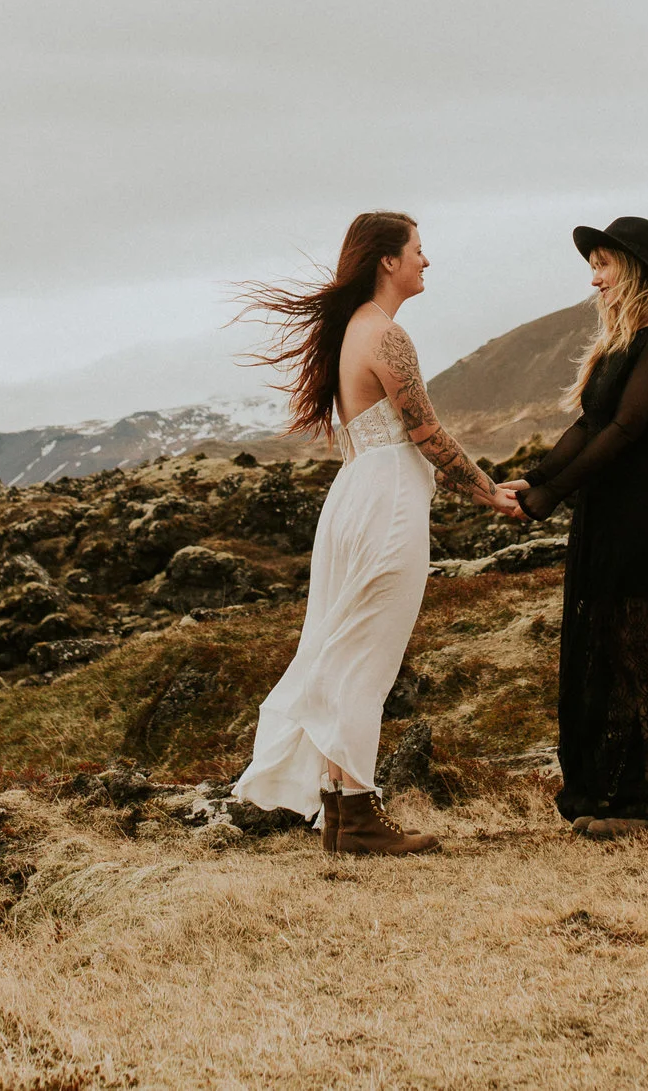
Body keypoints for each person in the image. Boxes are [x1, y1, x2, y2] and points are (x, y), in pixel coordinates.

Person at [233, 211, 521, 855]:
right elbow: (426, 433)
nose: (427, 261)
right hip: (386, 502)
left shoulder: (354, 332)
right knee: (367, 659)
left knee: (347, 653)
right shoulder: (387, 337)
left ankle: (342, 811)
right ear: (388, 260)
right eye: (419, 250)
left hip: (358, 496)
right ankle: (357, 815)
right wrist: (488, 492)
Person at [505, 216, 648, 838]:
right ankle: (609, 795)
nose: (593, 279)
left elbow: (624, 431)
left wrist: (553, 495)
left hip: (646, 515)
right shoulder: (618, 344)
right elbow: (588, 428)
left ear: (635, 269)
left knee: (643, 657)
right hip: (607, 516)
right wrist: (532, 481)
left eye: (603, 264)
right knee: (607, 655)